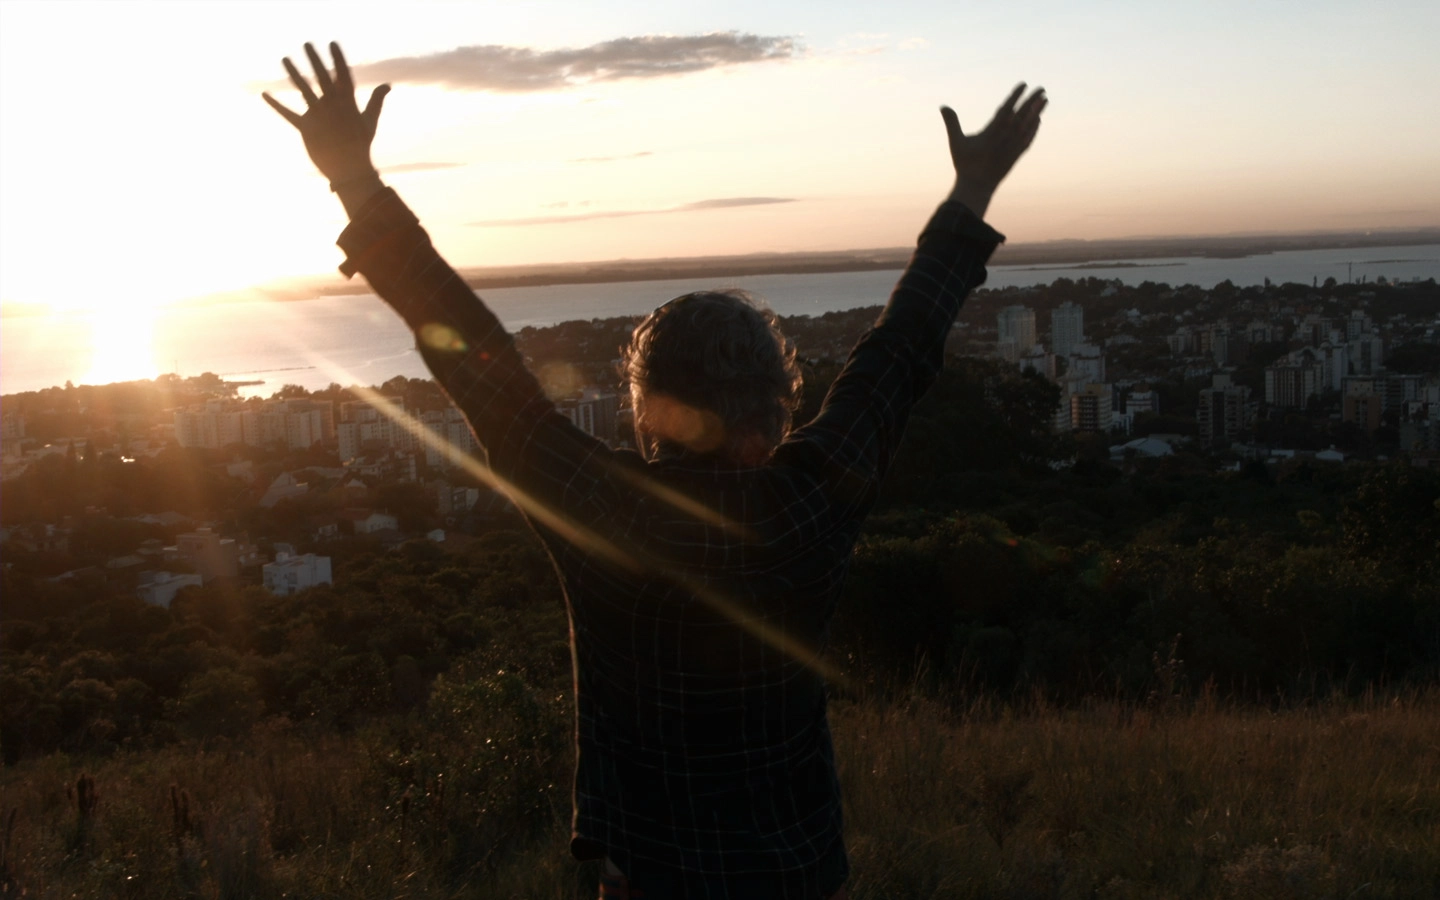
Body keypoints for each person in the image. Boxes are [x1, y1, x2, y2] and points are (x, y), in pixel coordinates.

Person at [265, 41, 1045, 900]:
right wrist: (973, 190)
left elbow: (472, 355)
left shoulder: (602, 511)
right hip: (795, 878)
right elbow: (900, 350)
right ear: (775, 411)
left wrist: (354, 180)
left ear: (645, 413)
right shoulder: (811, 504)